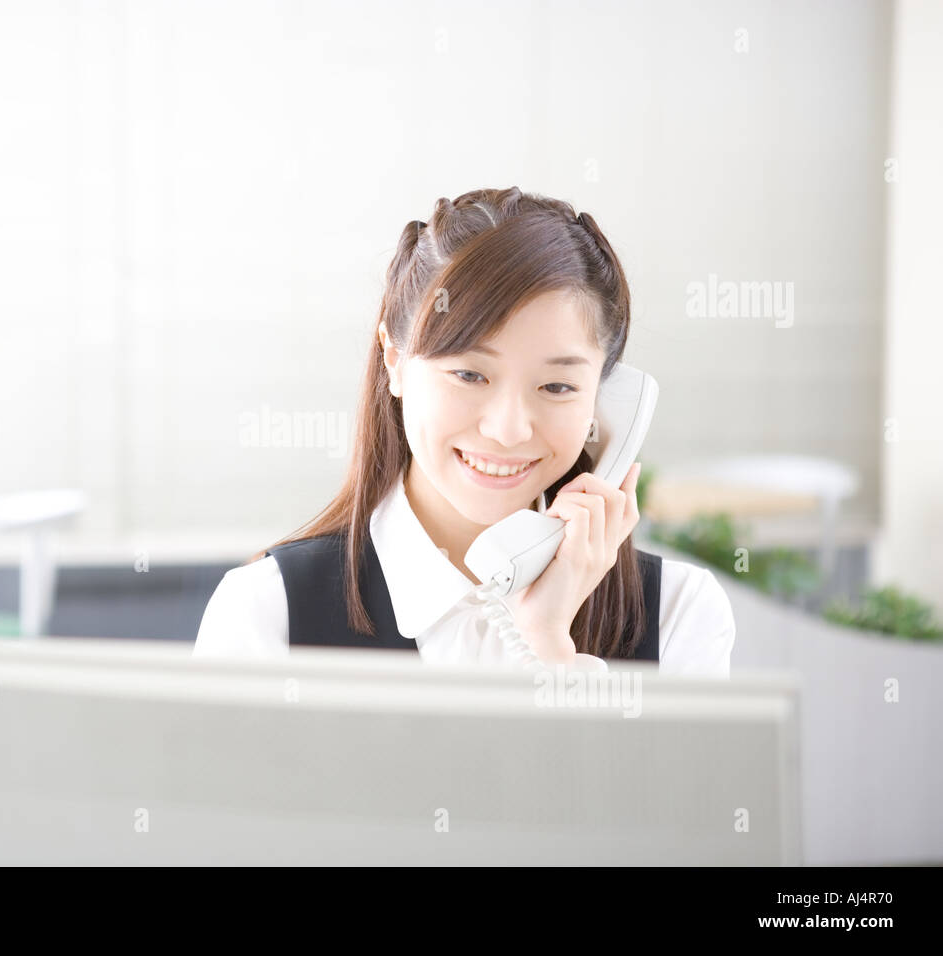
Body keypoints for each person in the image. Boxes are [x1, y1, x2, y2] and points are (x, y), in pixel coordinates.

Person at [195, 187, 734, 675]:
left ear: (606, 397)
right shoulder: (268, 615)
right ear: (395, 359)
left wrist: (548, 647)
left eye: (557, 387)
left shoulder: (677, 615)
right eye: (470, 374)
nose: (507, 429)